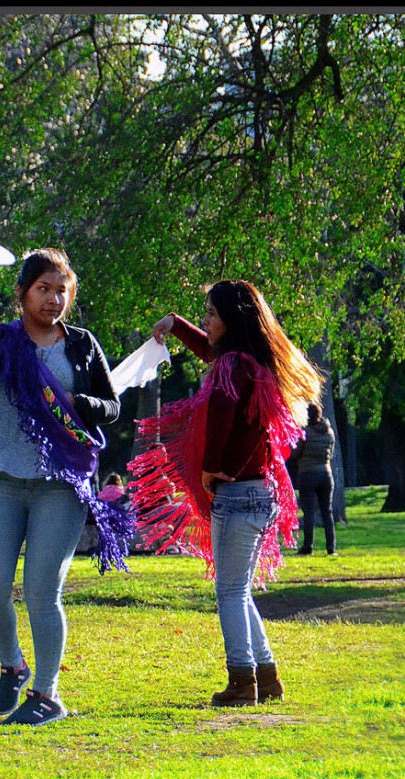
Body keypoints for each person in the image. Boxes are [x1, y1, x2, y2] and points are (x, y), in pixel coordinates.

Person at [0, 248, 131, 726]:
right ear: (22, 293)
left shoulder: (80, 345)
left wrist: (76, 403)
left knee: (41, 594)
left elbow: (112, 406)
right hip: (3, 481)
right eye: (44, 289)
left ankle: (48, 695)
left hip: (61, 486)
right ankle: (13, 665)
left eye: (62, 290)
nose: (54, 299)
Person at [130, 279, 323, 707]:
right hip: (261, 494)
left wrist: (209, 469)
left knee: (230, 593)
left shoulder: (232, 369)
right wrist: (176, 325)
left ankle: (242, 681)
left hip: (237, 496)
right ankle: (267, 677)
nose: (207, 320)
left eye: (212, 314)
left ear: (231, 320)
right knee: (239, 590)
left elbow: (219, 415)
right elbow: (211, 355)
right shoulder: (251, 363)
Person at [295, 401, 337, 557]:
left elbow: (296, 453)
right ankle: (331, 547)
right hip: (326, 473)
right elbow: (330, 453)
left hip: (307, 474)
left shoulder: (304, 433)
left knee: (309, 511)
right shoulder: (329, 432)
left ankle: (308, 546)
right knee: (327, 511)